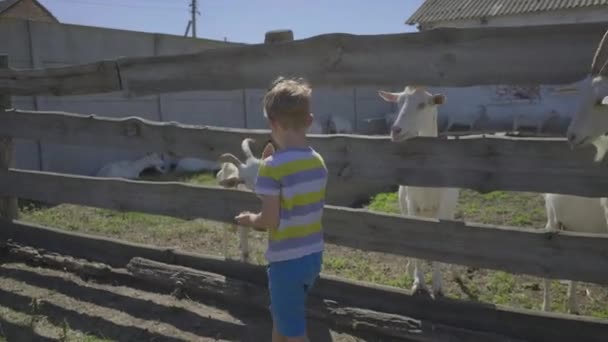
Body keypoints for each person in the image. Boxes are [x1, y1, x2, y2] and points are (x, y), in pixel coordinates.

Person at [235, 76, 327, 342]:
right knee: (284, 316)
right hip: (313, 256)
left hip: (286, 260)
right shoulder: (317, 160)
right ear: (309, 121)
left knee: (294, 328)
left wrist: (250, 219)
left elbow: (270, 220)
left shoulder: (271, 167)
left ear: (273, 124)